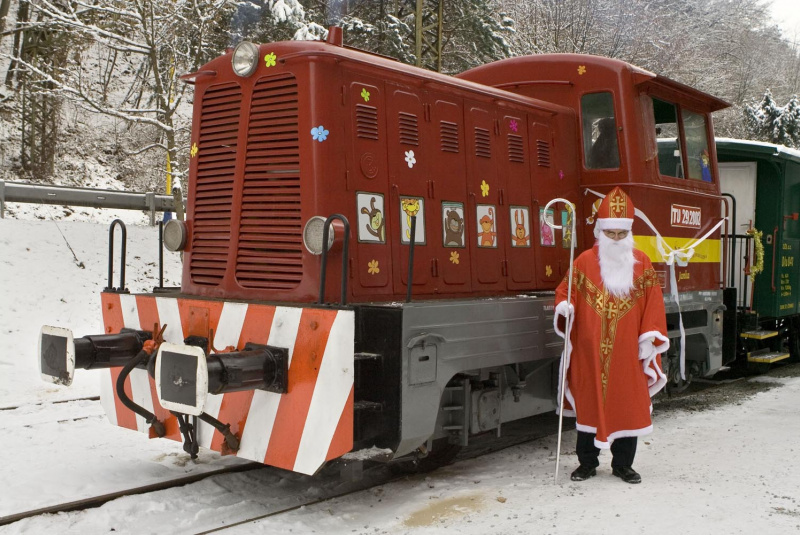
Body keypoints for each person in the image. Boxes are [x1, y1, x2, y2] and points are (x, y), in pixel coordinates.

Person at [553, 187, 668, 484]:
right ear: (600, 232)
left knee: (627, 406)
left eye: (620, 234)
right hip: (590, 352)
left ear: (628, 233)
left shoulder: (641, 263)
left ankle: (623, 465)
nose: (615, 239)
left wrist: (648, 338)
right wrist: (565, 305)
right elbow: (565, 291)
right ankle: (587, 463)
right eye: (610, 234)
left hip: (628, 353)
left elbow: (654, 303)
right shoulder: (582, 263)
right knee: (589, 403)